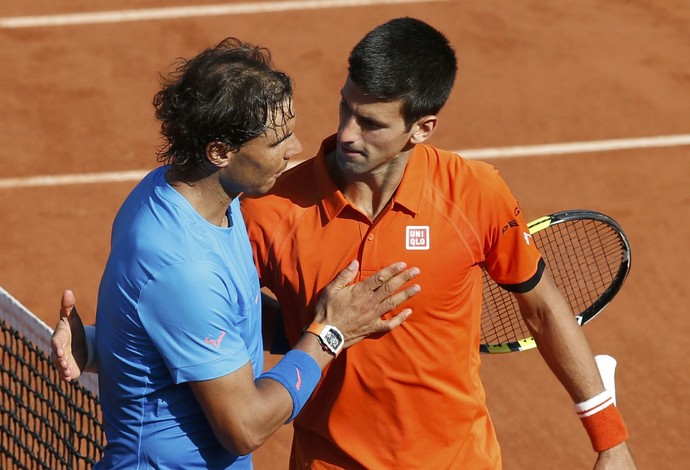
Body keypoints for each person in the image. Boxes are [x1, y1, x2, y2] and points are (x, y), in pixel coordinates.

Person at [54, 18, 636, 469]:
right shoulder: (269, 203)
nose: (347, 135)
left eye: (373, 123)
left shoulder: (474, 193)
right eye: (345, 108)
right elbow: (206, 313)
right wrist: (333, 328)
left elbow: (542, 305)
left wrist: (608, 438)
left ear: (422, 127)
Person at [51, 37, 422, 469]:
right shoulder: (184, 267)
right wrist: (329, 333)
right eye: (276, 141)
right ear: (220, 152)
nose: (296, 149)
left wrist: (99, 347)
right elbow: (244, 427)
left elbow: (205, 321)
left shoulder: (187, 195)